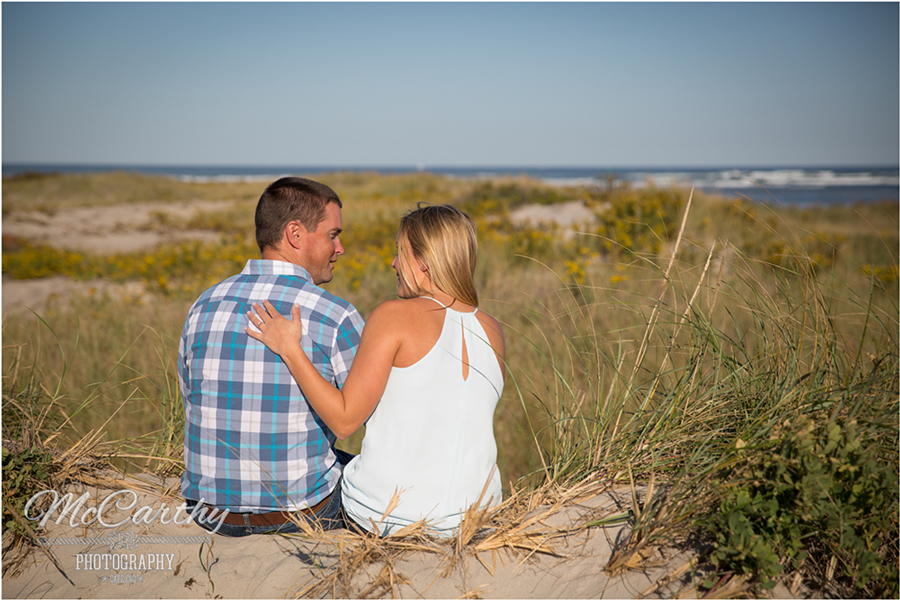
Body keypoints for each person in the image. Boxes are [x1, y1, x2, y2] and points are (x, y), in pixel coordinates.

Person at [246, 204, 506, 537]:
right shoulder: (492, 329)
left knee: (319, 465)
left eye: (401, 253)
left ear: (424, 262)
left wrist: (290, 349)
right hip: (476, 516)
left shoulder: (393, 315)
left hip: (387, 516)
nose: (394, 263)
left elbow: (343, 420)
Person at [178, 176, 365, 537]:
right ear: (295, 234)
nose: (340, 248)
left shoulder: (204, 304)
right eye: (332, 235)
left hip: (207, 510)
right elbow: (371, 420)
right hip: (301, 512)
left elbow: (191, 399)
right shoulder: (334, 315)